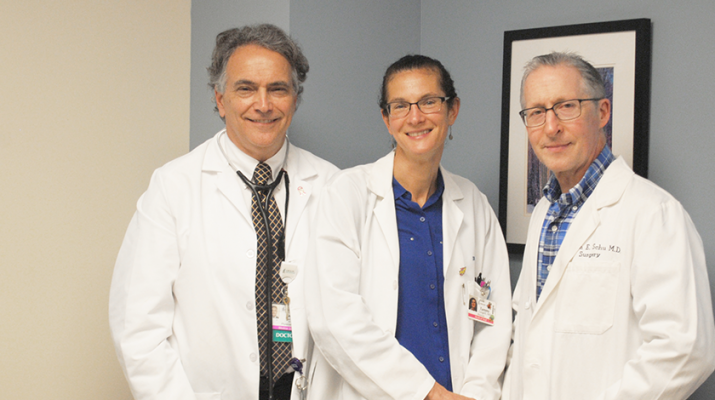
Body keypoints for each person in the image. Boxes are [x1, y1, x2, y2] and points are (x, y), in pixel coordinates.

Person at [109, 24, 338, 400]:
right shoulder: (174, 186)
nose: (263, 104)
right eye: (245, 88)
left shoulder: (331, 185)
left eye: (277, 89)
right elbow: (136, 327)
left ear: (295, 99)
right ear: (220, 100)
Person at [502, 52, 715, 399]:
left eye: (566, 106)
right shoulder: (544, 212)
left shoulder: (654, 213)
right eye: (536, 113)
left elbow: (687, 350)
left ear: (602, 112)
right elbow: (528, 332)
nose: (551, 127)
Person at [305, 55, 511, 400]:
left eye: (429, 102)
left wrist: (475, 394)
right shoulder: (346, 195)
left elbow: (494, 318)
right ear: (387, 119)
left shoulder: (473, 205)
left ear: (452, 109)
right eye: (400, 106)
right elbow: (335, 320)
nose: (415, 117)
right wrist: (428, 393)